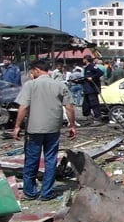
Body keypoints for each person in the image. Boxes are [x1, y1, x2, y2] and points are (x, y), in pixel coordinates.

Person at [12, 60, 76, 201]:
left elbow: (23, 107)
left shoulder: (30, 85)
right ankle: (46, 192)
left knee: (31, 160)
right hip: (53, 128)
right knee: (50, 160)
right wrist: (72, 125)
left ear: (36, 70)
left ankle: (30, 192)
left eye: (31, 72)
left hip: (34, 129)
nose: (31, 75)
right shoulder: (60, 85)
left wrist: (17, 126)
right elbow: (69, 107)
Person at [81, 55, 105, 124]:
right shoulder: (86, 68)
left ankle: (98, 118)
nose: (82, 60)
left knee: (94, 104)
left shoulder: (92, 66)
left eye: (83, 59)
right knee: (85, 105)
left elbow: (100, 73)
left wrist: (93, 77)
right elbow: (86, 78)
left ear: (86, 59)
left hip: (92, 89)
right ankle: (89, 118)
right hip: (87, 89)